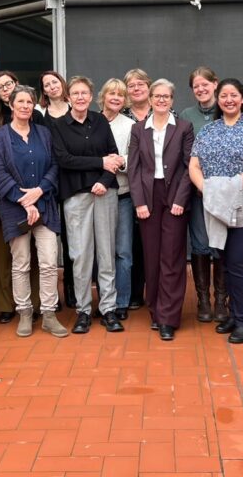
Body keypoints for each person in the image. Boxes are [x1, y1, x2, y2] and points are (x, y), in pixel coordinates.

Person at [189, 79, 243, 344]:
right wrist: (208, 189)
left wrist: (230, 187)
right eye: (224, 95)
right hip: (216, 203)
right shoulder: (208, 130)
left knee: (238, 260)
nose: (228, 100)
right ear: (218, 98)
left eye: (234, 95)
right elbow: (194, 165)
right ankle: (235, 315)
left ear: (242, 99)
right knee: (224, 259)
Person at [0, 85, 69, 338]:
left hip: (45, 206)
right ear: (11, 105)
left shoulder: (44, 133)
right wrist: (25, 200)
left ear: (34, 106)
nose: (24, 106)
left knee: (48, 262)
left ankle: (48, 314)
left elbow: (55, 166)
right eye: (20, 101)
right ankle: (24, 312)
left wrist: (39, 191)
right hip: (15, 209)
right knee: (21, 263)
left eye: (29, 102)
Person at [50, 76, 123, 333]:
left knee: (106, 253)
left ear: (91, 96)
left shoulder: (101, 121)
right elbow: (64, 159)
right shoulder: (59, 126)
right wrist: (99, 163)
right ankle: (82, 310)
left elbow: (113, 156)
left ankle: (108, 309)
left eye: (85, 93)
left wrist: (105, 179)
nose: (80, 97)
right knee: (80, 255)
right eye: (75, 93)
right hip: (76, 196)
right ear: (68, 97)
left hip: (105, 193)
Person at [128, 79, 195, 340]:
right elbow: (133, 169)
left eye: (166, 96)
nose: (161, 100)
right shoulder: (137, 130)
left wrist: (181, 199)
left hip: (175, 196)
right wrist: (139, 203)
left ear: (172, 100)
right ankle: (155, 310)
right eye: (157, 96)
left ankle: (168, 317)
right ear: (150, 99)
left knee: (172, 256)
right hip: (148, 196)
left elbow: (190, 167)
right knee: (152, 257)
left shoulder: (184, 128)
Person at [0, 70, 41, 323]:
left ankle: (37, 303)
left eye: (10, 84)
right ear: (0, 96)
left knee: (35, 251)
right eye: (1, 87)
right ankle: (7, 304)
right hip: (3, 194)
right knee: (4, 252)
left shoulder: (36, 118)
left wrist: (35, 195)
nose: (6, 88)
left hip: (36, 194)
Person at [180, 66, 223, 322]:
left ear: (215, 84)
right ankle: (204, 300)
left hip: (226, 193)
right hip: (197, 192)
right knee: (200, 244)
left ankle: (221, 300)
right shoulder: (186, 115)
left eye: (205, 84)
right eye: (196, 86)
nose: (201, 89)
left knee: (221, 245)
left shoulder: (227, 109)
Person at [37, 70, 76, 308]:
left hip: (73, 181)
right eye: (46, 85)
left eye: (54, 82)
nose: (52, 87)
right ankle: (54, 293)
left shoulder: (76, 108)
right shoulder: (41, 114)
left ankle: (72, 287)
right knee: (53, 236)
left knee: (73, 239)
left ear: (61, 83)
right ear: (43, 91)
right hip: (50, 181)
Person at [99, 78, 135, 320]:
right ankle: (104, 301)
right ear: (103, 96)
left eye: (120, 95)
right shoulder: (90, 121)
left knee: (122, 251)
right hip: (96, 195)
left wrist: (120, 160)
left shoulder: (131, 125)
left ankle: (121, 301)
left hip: (122, 195)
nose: (115, 98)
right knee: (100, 252)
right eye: (111, 93)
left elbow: (135, 159)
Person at [122, 68, 152, 310]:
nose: (136, 88)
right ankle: (134, 292)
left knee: (151, 241)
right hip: (128, 186)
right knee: (131, 242)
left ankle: (154, 289)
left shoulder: (164, 110)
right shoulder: (120, 114)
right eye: (131, 85)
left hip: (158, 187)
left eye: (140, 84)